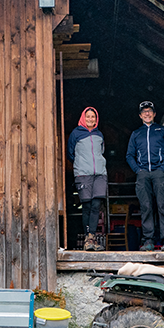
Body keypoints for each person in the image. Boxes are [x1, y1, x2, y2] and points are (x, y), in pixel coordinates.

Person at [126, 100, 164, 251]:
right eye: (144, 112)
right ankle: (148, 240)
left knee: (163, 205)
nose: (147, 114)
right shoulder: (136, 134)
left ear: (154, 114)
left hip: (159, 173)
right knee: (146, 207)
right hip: (143, 174)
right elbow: (129, 155)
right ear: (140, 116)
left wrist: (163, 168)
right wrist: (138, 170)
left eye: (150, 111)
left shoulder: (163, 131)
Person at [67, 107, 107, 251]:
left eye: (93, 117)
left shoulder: (99, 134)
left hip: (100, 174)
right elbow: (70, 154)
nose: (91, 119)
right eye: (88, 116)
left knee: (96, 206)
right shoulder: (76, 133)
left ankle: (92, 237)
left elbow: (101, 152)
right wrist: (81, 165)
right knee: (87, 206)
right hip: (83, 174)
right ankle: (87, 237)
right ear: (83, 118)